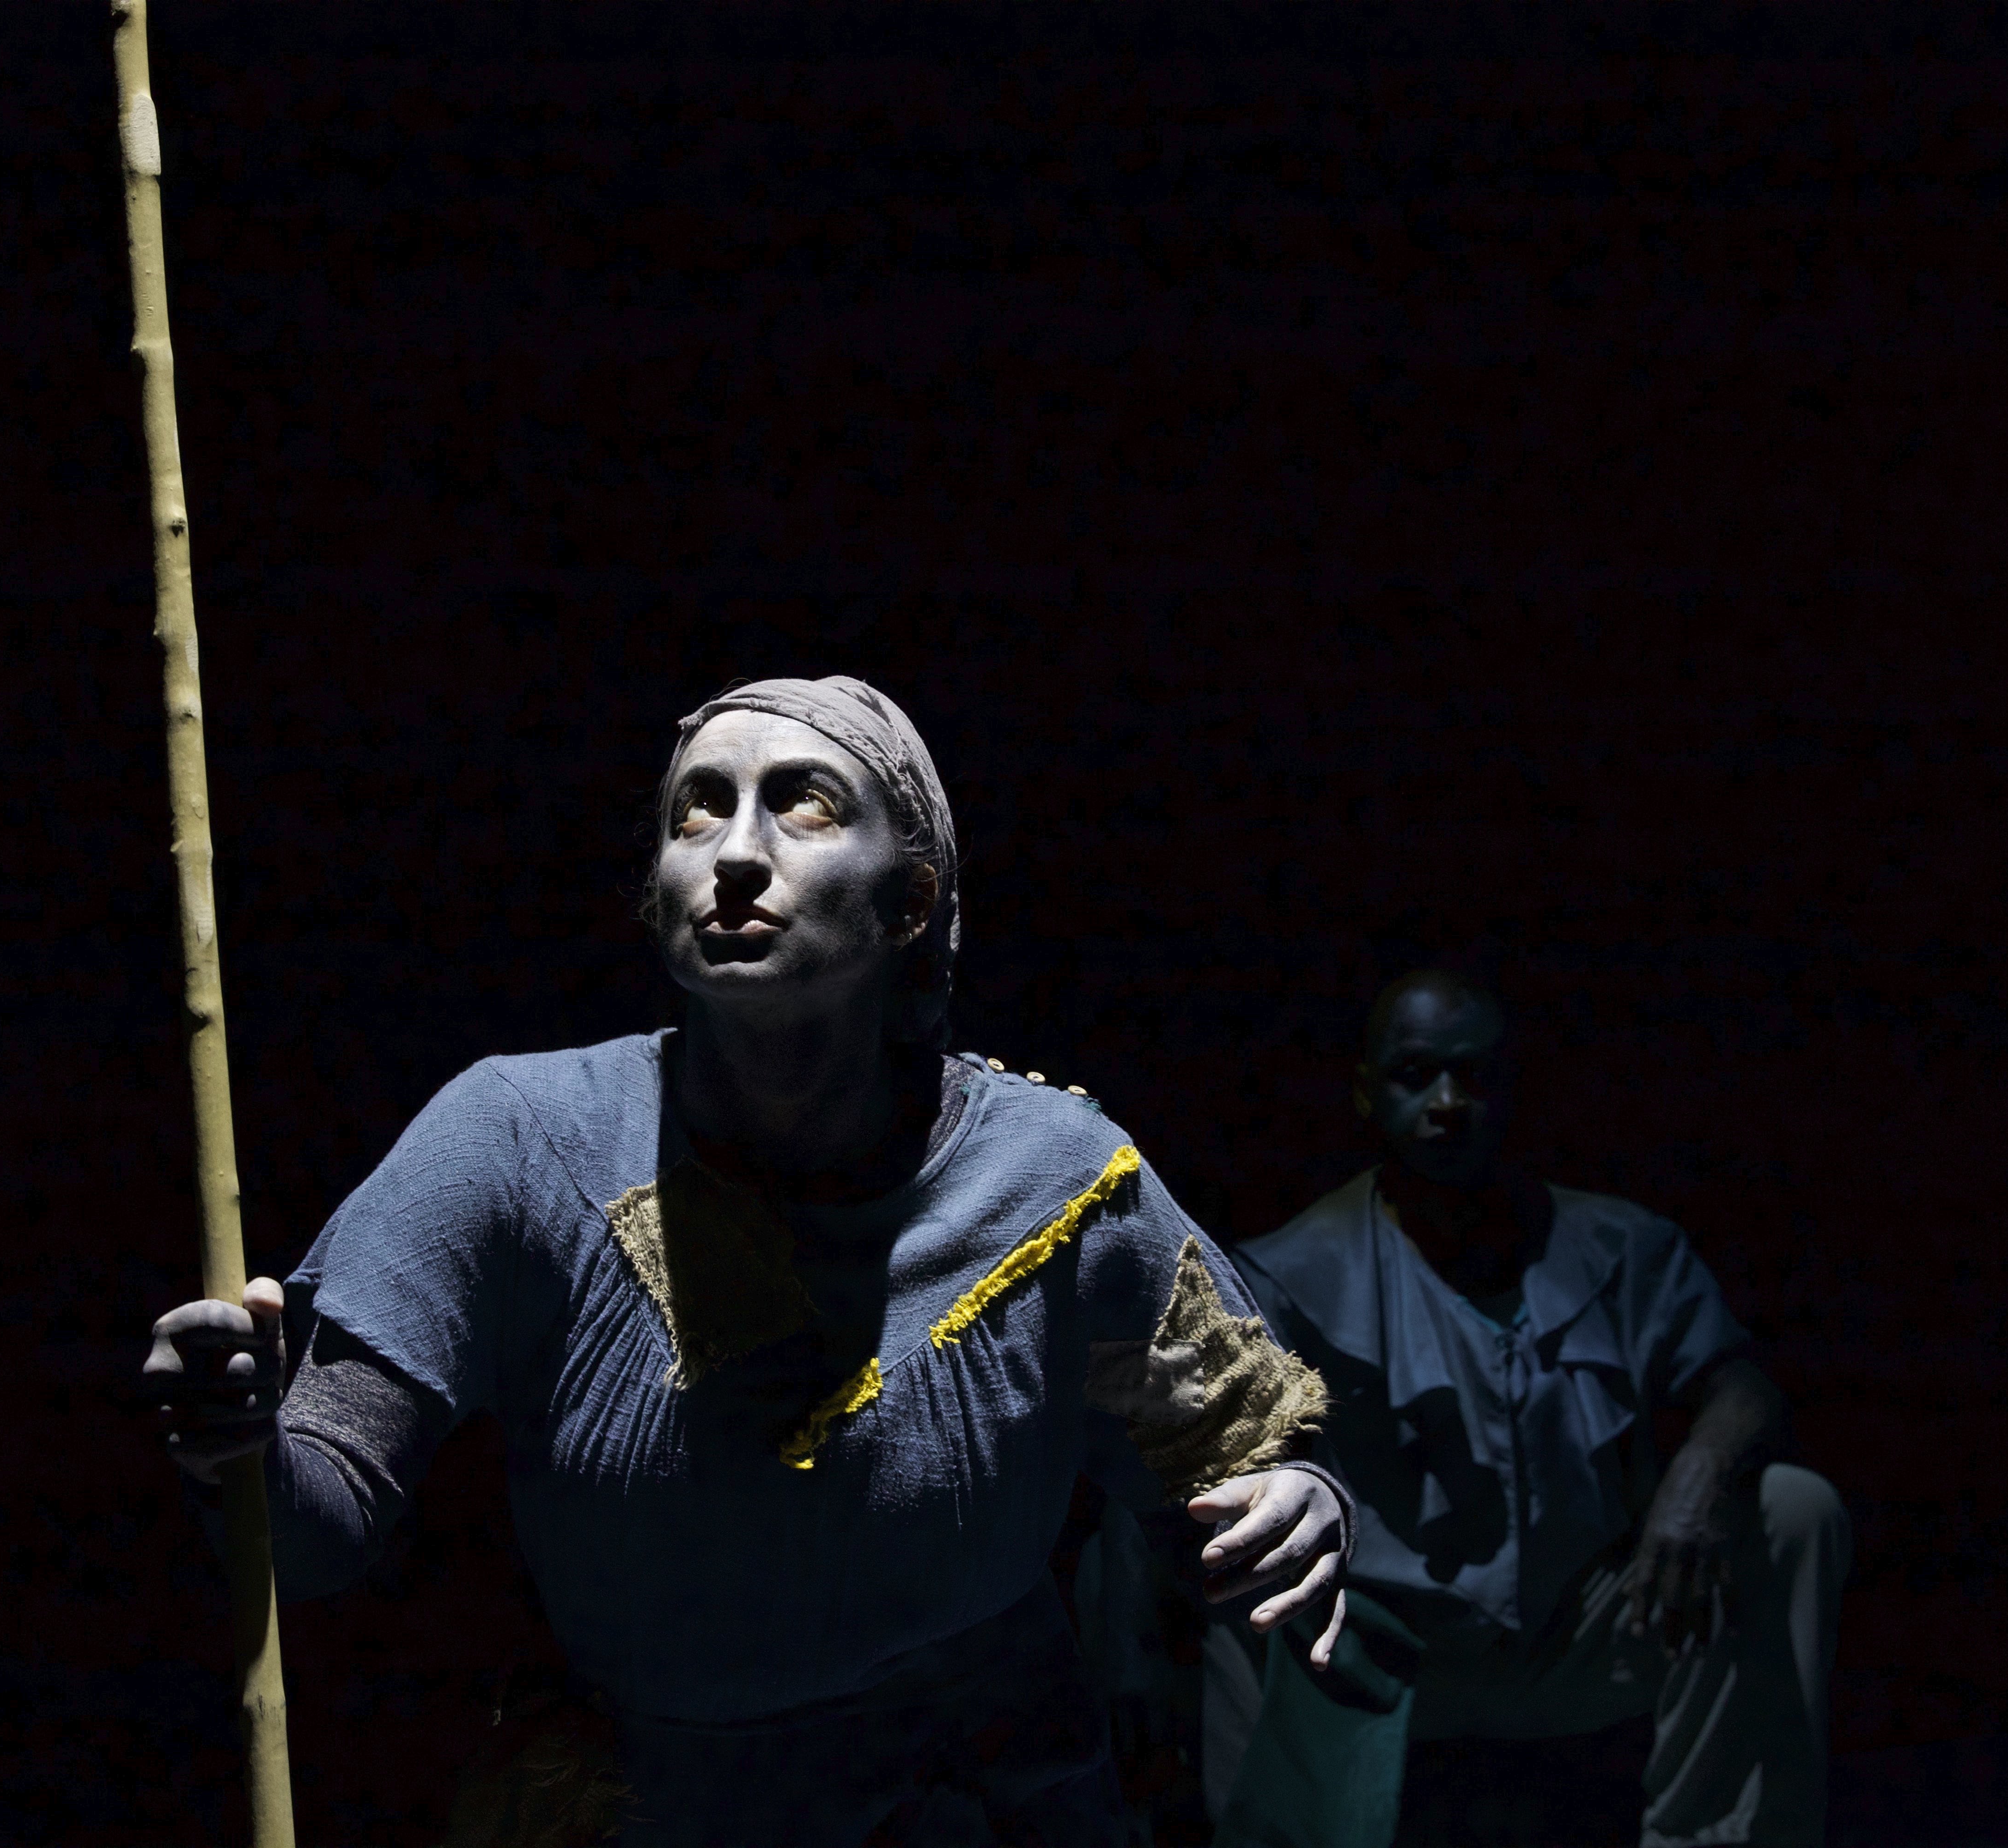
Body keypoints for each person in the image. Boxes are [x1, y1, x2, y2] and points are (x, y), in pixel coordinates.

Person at [141, 676, 1358, 1848]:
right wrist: (239, 1450)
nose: (733, 849)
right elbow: (318, 1528)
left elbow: (1243, 1475)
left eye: (806, 803)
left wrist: (1299, 1507)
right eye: (696, 811)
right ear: (652, 895)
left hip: (981, 1802)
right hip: (663, 1807)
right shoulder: (519, 1141)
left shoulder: (1060, 1184)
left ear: (913, 903)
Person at [1211, 966, 1851, 1848]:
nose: (1447, 1103)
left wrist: (1698, 1473)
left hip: (1583, 1630)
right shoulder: (1286, 1271)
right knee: (1224, 1554)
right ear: (1366, 1094)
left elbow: (1740, 1381)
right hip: (1380, 1652)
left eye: (1474, 1077)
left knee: (1791, 1511)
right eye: (1415, 1076)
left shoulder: (1618, 1247)